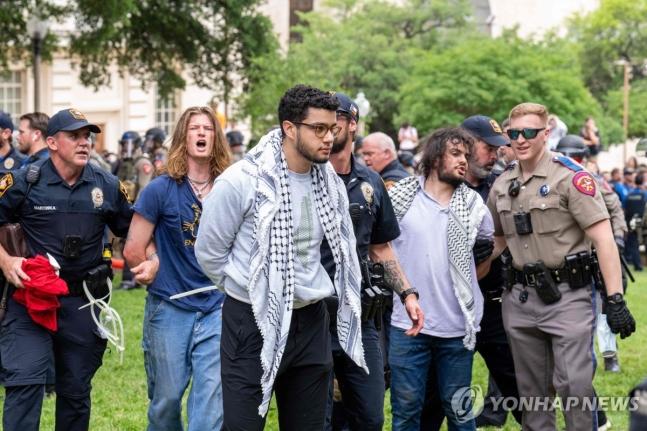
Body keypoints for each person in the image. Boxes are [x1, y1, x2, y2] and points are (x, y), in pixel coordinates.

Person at [195, 84, 367, 431]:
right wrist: (249, 290)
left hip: (311, 319)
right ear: (289, 128)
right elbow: (210, 253)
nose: (329, 137)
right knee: (243, 426)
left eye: (333, 128)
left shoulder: (328, 180)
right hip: (251, 318)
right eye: (318, 128)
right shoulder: (242, 181)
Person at [488, 102, 635, 431]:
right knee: (532, 394)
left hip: (568, 297)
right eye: (514, 133)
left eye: (529, 132)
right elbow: (497, 241)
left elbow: (604, 240)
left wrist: (615, 299)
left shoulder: (571, 177)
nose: (520, 139)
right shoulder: (502, 184)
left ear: (545, 134)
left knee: (573, 387)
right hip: (520, 299)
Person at [0, 108, 133, 431]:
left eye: (87, 136)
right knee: (25, 384)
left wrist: (150, 259)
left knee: (75, 392)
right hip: (29, 300)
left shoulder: (108, 185)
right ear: (52, 142)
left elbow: (133, 231)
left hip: (82, 301)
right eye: (74, 136)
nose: (84, 142)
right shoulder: (22, 181)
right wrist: (5, 260)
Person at [123, 106, 231, 431]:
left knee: (210, 409)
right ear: (184, 136)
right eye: (194, 128)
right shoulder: (161, 188)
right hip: (169, 308)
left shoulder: (231, 187)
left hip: (218, 309)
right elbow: (132, 249)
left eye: (208, 128)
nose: (201, 133)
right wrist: (150, 263)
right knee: (166, 403)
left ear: (216, 137)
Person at [323, 92, 423, 431]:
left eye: (334, 120)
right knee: (316, 417)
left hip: (359, 315)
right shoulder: (304, 177)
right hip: (311, 317)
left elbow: (379, 247)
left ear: (352, 125)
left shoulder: (371, 182)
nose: (326, 128)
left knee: (369, 416)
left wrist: (408, 293)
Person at [388, 127, 494, 431]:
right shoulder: (399, 198)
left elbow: (489, 246)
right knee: (406, 411)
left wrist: (477, 266)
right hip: (407, 325)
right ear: (435, 157)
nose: (464, 161)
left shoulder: (475, 207)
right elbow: (378, 249)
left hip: (458, 326)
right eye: (456, 154)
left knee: (459, 412)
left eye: (467, 156)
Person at [420, 114, 522, 430]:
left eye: (497, 149)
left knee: (519, 387)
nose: (494, 155)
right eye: (487, 147)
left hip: (492, 305)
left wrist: (493, 249)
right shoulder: (435, 186)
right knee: (432, 397)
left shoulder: (503, 187)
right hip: (444, 307)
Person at [114, 131, 154, 290]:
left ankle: (130, 280)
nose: (126, 147)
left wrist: (137, 212)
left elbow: (143, 189)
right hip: (125, 206)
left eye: (128, 144)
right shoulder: (124, 162)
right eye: (124, 144)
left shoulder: (142, 163)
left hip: (136, 208)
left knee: (134, 243)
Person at [624, 173, 647, 272]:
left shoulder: (629, 193)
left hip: (631, 221)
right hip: (643, 221)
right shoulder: (644, 193)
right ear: (642, 181)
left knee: (633, 243)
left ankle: (637, 265)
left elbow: (624, 207)